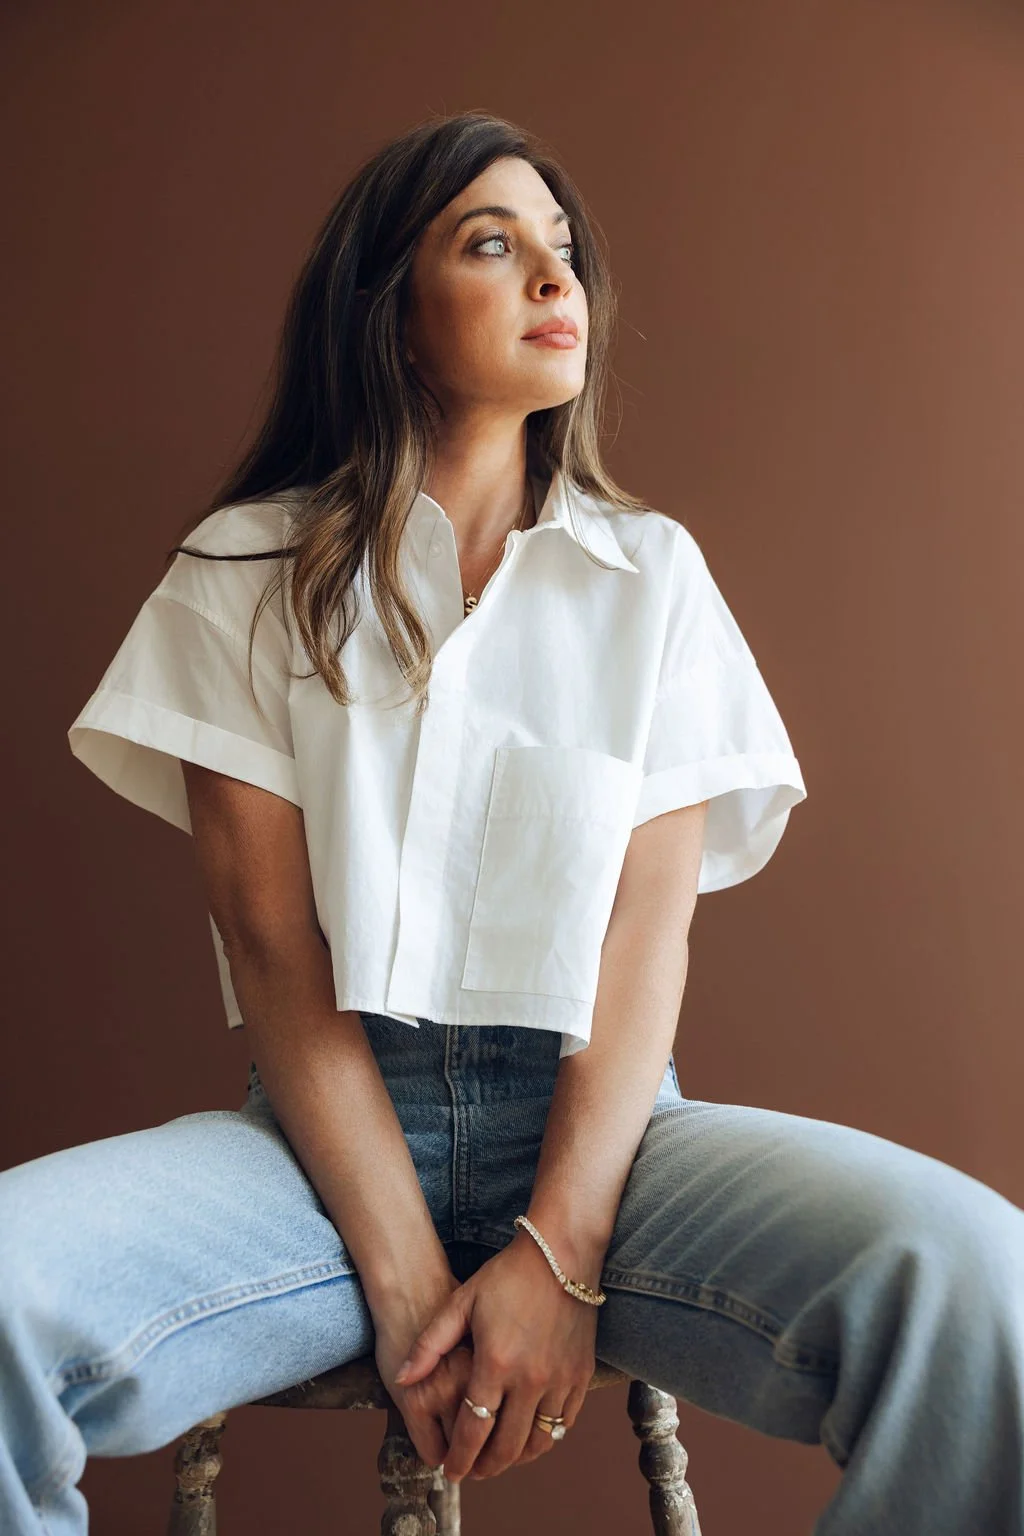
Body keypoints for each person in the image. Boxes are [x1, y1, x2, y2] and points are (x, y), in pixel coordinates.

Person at [2, 109, 1021, 1536]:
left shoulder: (651, 578)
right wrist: (402, 1268)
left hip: (610, 1143)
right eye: (493, 245)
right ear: (392, 315)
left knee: (981, 1285)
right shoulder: (242, 573)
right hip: (320, 1153)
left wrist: (563, 1249)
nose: (557, 278)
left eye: (564, 250)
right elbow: (277, 954)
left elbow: (645, 939)